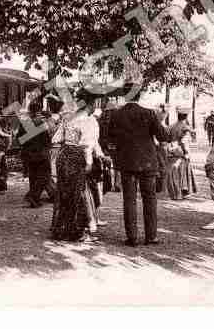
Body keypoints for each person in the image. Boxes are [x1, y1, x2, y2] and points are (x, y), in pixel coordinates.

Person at [108, 87, 169, 247]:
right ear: (139, 95)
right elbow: (163, 136)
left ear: (124, 96)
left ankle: (132, 237)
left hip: (127, 162)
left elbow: (110, 139)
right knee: (150, 199)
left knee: (129, 199)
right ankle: (151, 236)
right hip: (148, 162)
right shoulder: (149, 113)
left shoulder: (116, 114)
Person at [50, 95, 108, 242]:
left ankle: (60, 229)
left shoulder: (68, 118)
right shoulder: (89, 121)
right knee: (79, 194)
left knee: (64, 193)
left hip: (64, 156)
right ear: (92, 103)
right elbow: (87, 145)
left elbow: (55, 139)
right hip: (77, 157)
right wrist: (89, 162)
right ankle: (77, 232)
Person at [18, 101, 55, 208]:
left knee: (33, 176)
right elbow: (47, 140)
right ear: (39, 110)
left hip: (28, 154)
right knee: (44, 176)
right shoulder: (42, 123)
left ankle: (34, 199)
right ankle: (34, 197)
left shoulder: (24, 122)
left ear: (30, 110)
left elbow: (20, 140)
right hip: (41, 153)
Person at [165, 106, 197, 200]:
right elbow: (184, 141)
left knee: (173, 173)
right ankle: (180, 194)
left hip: (171, 150)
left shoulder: (171, 126)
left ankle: (174, 194)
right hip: (180, 151)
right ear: (186, 116)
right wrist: (186, 152)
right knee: (181, 174)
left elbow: (166, 138)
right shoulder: (185, 128)